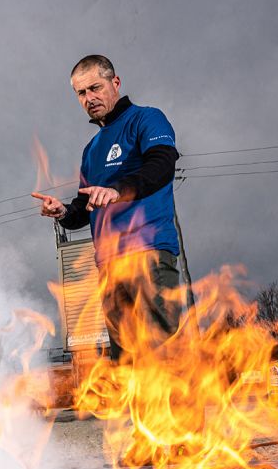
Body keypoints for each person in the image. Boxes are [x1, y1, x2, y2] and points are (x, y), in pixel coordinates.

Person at [33, 55, 182, 360]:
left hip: (148, 254)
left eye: (95, 88)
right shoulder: (91, 151)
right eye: (81, 93)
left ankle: (177, 409)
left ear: (115, 83)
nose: (89, 98)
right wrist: (62, 212)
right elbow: (85, 206)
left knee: (162, 360)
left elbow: (162, 166)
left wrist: (116, 190)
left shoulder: (146, 119)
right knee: (127, 363)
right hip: (109, 266)